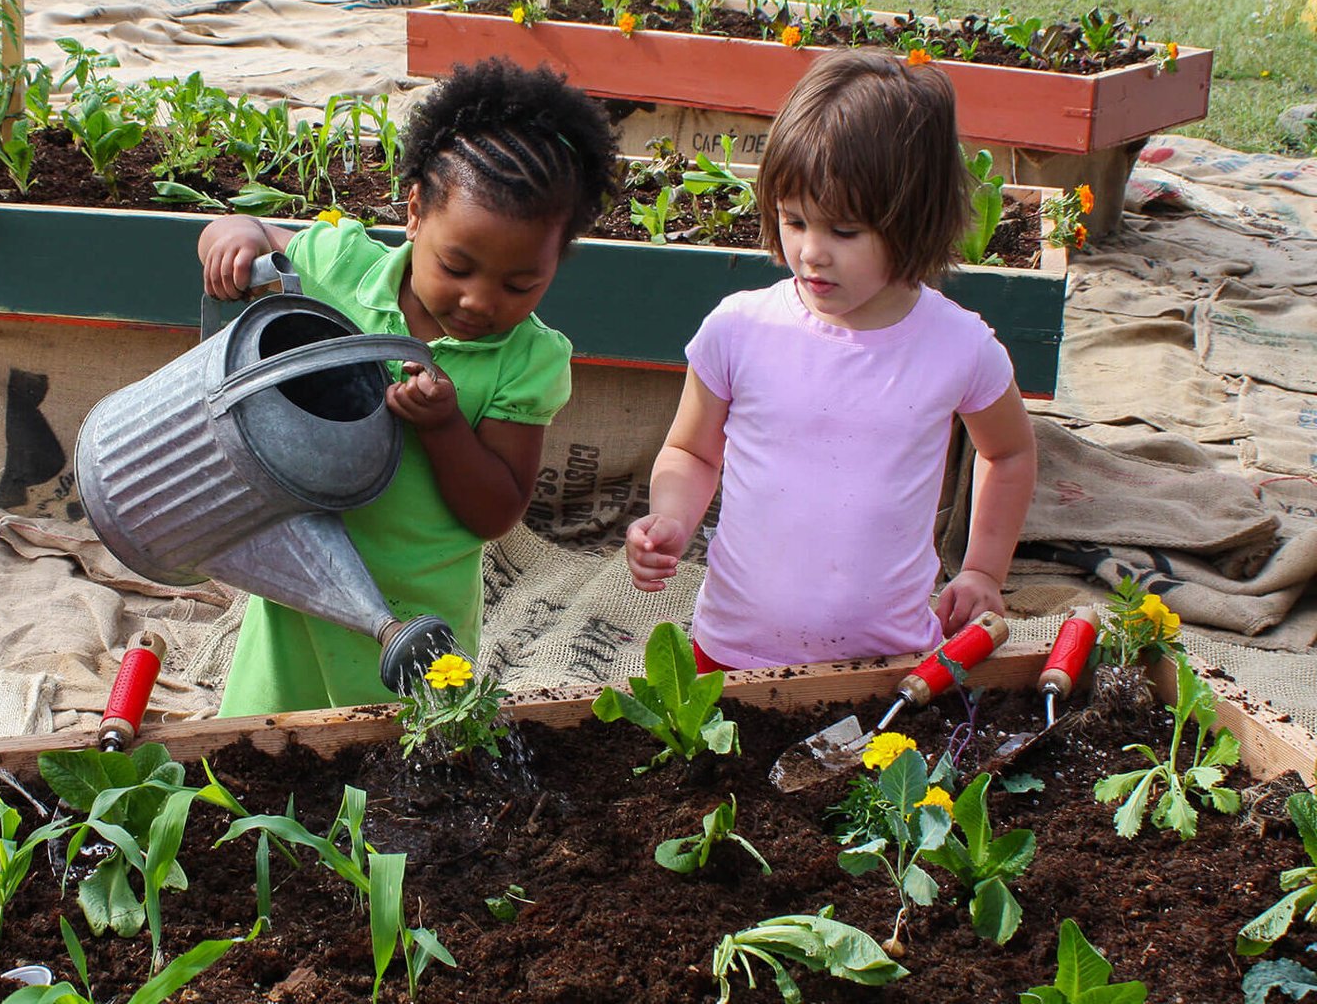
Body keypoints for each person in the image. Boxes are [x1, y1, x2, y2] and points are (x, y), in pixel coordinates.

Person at [197, 59, 619, 715]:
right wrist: (234, 234)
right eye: (457, 265)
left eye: (519, 284)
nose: (479, 301)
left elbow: (495, 510)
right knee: (262, 744)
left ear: (557, 260)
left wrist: (445, 426)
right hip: (302, 580)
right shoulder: (345, 267)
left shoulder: (526, 360)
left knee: (400, 761)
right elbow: (262, 240)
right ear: (416, 211)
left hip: (417, 608)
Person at [625, 49, 1037, 672]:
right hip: (730, 652)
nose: (812, 252)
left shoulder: (958, 346)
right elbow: (692, 452)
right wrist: (671, 520)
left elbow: (1007, 451)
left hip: (890, 665)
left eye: (844, 232)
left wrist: (982, 568)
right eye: (794, 221)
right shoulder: (740, 328)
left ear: (913, 221)